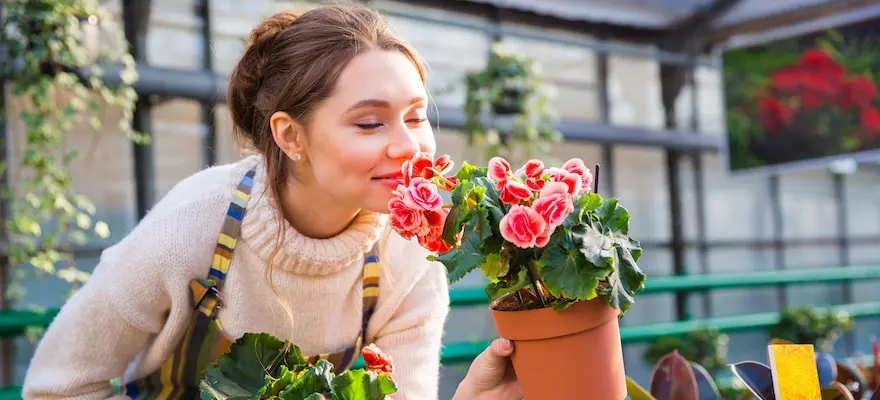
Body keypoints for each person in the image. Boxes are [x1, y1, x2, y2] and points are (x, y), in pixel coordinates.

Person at [22, 3, 522, 400]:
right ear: (290, 136)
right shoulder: (191, 226)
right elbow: (56, 389)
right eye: (370, 122)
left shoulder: (412, 254)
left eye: (415, 117)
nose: (410, 146)